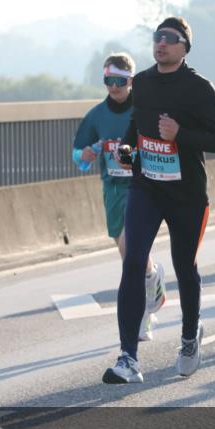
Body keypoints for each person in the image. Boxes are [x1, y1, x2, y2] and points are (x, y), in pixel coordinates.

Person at [103, 17, 215, 384]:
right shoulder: (142, 82)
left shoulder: (198, 88)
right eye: (157, 37)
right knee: (132, 261)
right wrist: (128, 149)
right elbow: (136, 125)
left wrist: (181, 134)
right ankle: (128, 357)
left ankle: (190, 338)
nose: (161, 43)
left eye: (170, 39)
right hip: (146, 186)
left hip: (187, 194)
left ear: (184, 47)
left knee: (185, 266)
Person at [73, 54, 166, 343]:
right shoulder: (96, 115)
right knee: (130, 256)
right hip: (113, 190)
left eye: (120, 81)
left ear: (131, 81)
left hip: (141, 188)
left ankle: (143, 319)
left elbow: (160, 145)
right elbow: (79, 154)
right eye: (109, 81)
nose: (114, 87)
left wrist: (134, 157)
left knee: (132, 255)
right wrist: (86, 155)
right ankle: (154, 281)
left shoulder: (144, 109)